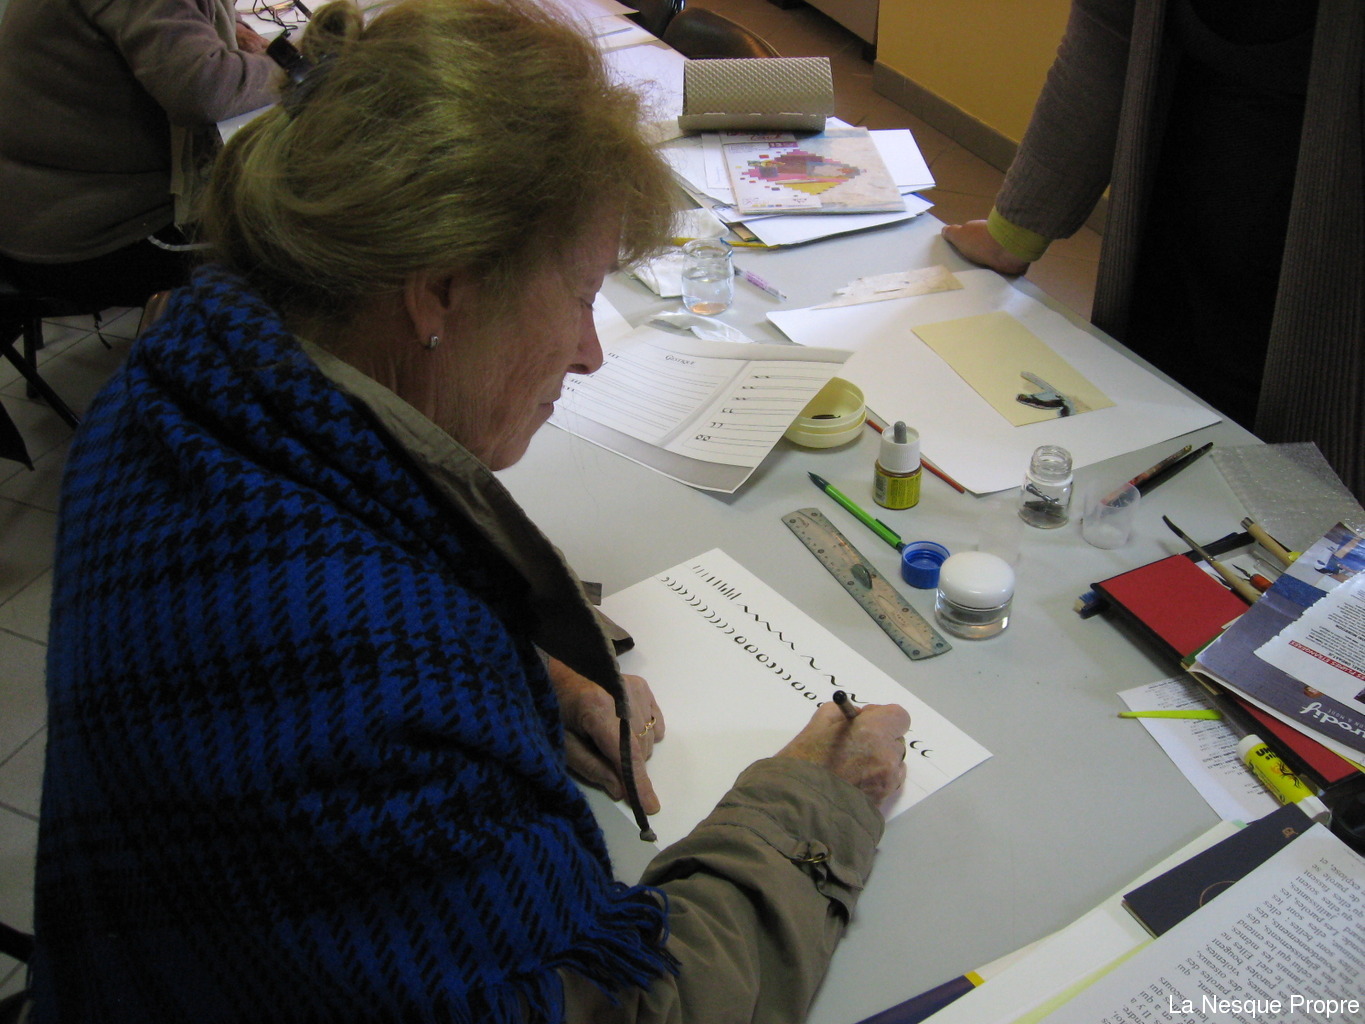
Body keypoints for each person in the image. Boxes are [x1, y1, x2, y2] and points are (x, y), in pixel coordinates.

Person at [29, 1, 911, 1021]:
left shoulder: (175, 385)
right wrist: (814, 808)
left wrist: (522, 675)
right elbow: (610, 1010)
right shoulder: (384, 704)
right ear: (441, 291)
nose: (590, 352)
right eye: (578, 295)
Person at [941, 0, 1364, 499]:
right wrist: (1013, 234)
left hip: (1334, 253)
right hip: (1182, 197)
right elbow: (1107, 32)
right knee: (1152, 451)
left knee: (1302, 496)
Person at [0, 0, 280, 311]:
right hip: (94, 234)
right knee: (301, 245)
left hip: (41, 206)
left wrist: (236, 29)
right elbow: (205, 90)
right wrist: (291, 67)